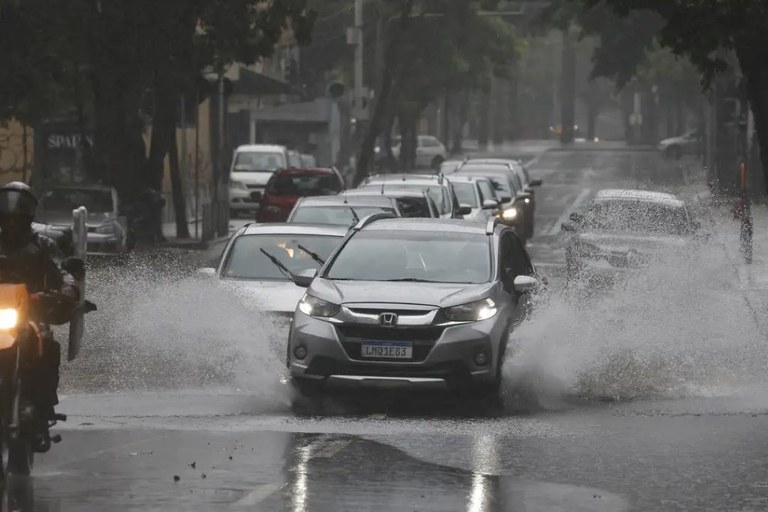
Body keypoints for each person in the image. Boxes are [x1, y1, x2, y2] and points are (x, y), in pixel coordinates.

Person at [0, 182, 78, 452]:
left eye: (17, 218)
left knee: (45, 344)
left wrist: (66, 290)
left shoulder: (42, 244)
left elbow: (62, 271)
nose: (11, 223)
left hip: (30, 314)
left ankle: (42, 411)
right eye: (6, 218)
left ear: (28, 218)